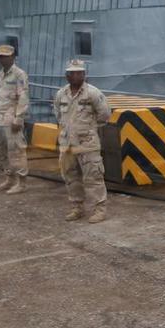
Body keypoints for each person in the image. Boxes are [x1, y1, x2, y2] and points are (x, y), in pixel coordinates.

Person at [54, 59, 111, 223]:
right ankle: (77, 207)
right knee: (70, 177)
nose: (75, 76)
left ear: (84, 74)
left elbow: (105, 115)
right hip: (67, 145)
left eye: (79, 72)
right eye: (72, 73)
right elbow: (58, 114)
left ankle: (99, 209)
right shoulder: (60, 94)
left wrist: (88, 129)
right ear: (67, 75)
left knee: (93, 177)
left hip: (87, 144)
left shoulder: (93, 93)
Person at [0, 44, 29, 195]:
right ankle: (9, 178)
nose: (3, 59)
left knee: (17, 151)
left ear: (13, 57)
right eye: (0, 56)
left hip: (11, 119)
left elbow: (23, 97)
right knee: (2, 150)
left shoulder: (19, 74)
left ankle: (22, 182)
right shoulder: (0, 74)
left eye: (6, 56)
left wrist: (18, 119)